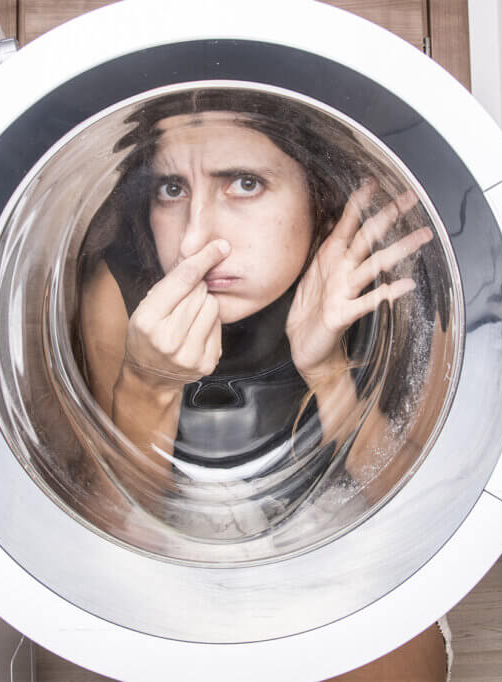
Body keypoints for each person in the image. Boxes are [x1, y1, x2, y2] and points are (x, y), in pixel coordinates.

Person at [74, 89, 448, 679]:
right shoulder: (118, 290)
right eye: (172, 190)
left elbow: (422, 520)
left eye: (243, 183)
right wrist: (148, 386)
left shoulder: (372, 283)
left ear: (317, 196)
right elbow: (111, 530)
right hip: (172, 536)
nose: (196, 240)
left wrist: (326, 371)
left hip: (333, 526)